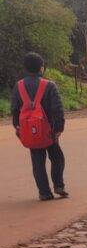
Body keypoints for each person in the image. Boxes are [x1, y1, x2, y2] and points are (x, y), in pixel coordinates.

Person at [10, 52, 67, 201]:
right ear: (41, 68)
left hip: (29, 131)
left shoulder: (19, 86)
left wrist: (17, 127)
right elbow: (57, 109)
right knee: (57, 157)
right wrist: (58, 128)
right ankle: (59, 185)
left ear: (26, 68)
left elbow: (15, 109)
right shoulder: (49, 85)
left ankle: (44, 192)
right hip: (49, 131)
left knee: (37, 161)